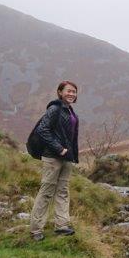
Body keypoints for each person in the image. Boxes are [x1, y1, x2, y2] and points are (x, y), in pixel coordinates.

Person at [30, 80, 80, 241]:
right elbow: (42, 129)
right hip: (53, 157)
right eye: (68, 91)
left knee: (63, 191)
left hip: (66, 158)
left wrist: (72, 155)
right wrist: (59, 148)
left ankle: (62, 226)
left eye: (74, 91)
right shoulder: (55, 108)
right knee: (46, 192)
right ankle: (36, 229)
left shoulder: (69, 111)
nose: (71, 94)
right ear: (60, 92)